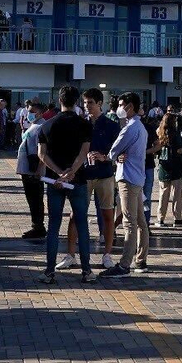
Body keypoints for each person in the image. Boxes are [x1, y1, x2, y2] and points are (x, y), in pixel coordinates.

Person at [38, 86, 94, 284]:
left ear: (59, 100)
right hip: (77, 181)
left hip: (54, 181)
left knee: (53, 226)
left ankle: (49, 271)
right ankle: (87, 271)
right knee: (82, 225)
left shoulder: (46, 126)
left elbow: (42, 154)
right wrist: (71, 172)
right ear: (76, 101)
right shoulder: (84, 124)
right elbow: (84, 152)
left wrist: (59, 173)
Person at [64, 88, 119, 270]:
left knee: (108, 214)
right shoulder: (80, 123)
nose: (87, 106)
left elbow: (119, 151)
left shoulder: (111, 125)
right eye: (85, 102)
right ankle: (70, 254)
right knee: (75, 214)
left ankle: (108, 254)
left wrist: (105, 157)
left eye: (90, 103)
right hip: (84, 176)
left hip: (104, 175)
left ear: (99, 104)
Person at [103, 92, 149, 276]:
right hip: (137, 178)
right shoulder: (140, 127)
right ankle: (141, 259)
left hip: (128, 178)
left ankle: (124, 264)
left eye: (122, 105)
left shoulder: (131, 127)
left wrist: (109, 157)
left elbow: (113, 150)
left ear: (130, 106)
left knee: (129, 222)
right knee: (140, 222)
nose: (119, 108)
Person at [155, 113, 182, 228]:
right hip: (175, 166)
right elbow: (180, 150)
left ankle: (160, 219)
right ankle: (177, 218)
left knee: (163, 194)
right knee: (177, 194)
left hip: (164, 167)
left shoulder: (159, 132)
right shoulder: (175, 134)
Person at [15, 116, 47, 239]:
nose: (29, 114)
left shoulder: (39, 128)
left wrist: (39, 168)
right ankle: (37, 225)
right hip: (27, 169)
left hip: (32, 171)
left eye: (32, 111)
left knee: (35, 199)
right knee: (32, 199)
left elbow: (42, 150)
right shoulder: (32, 127)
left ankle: (38, 226)